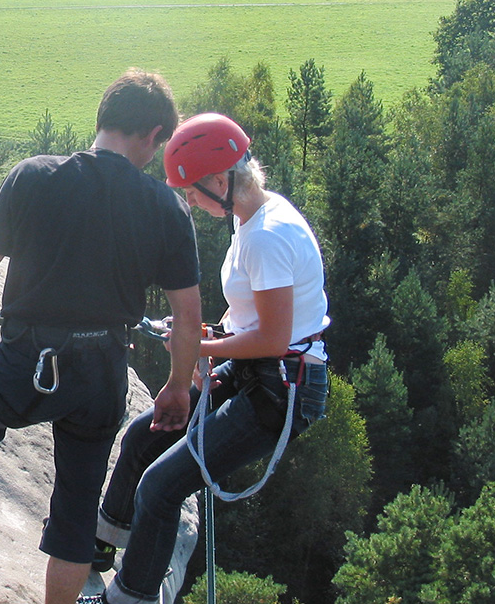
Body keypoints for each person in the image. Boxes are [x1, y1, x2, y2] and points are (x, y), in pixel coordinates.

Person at [0, 69, 203, 604]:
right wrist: (175, 386)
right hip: (103, 371)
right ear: (151, 135)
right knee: (78, 508)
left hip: (27, 358)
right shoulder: (166, 208)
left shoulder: (33, 176)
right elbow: (189, 319)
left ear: (103, 118)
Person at [82, 113, 330, 604]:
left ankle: (128, 598)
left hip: (279, 391)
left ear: (221, 180)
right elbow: (254, 316)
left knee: (161, 486)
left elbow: (276, 339)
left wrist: (200, 347)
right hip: (256, 370)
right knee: (143, 434)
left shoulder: (267, 236)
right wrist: (209, 333)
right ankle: (100, 545)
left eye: (192, 190)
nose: (189, 200)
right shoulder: (254, 219)